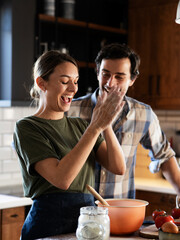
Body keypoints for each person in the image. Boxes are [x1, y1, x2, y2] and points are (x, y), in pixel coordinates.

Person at [13, 50, 126, 240]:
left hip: (87, 224)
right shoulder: (27, 127)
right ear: (42, 83)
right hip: (47, 224)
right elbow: (62, 179)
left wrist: (105, 124)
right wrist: (95, 127)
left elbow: (118, 167)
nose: (73, 89)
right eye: (65, 81)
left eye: (75, 81)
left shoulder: (81, 126)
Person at [67, 43, 180, 199]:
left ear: (132, 79)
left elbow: (165, 157)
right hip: (78, 214)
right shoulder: (71, 111)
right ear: (98, 73)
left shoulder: (143, 114)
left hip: (121, 213)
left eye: (119, 77)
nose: (110, 83)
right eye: (105, 74)